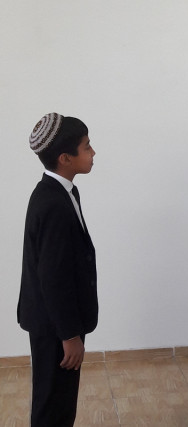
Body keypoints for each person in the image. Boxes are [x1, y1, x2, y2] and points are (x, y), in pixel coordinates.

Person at [18, 113, 98, 426]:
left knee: (61, 402)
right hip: (54, 326)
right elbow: (53, 278)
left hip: (56, 321)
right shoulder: (53, 204)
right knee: (52, 407)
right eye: (87, 147)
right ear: (65, 158)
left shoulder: (64, 192)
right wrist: (70, 335)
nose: (93, 152)